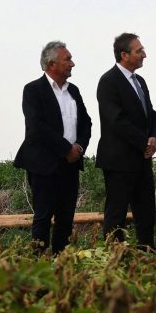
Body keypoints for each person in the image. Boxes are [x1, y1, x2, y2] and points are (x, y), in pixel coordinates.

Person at [14, 41, 93, 254]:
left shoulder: (73, 91)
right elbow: (36, 127)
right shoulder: (33, 90)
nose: (72, 63)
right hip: (44, 164)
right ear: (52, 64)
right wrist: (65, 149)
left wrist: (79, 147)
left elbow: (86, 122)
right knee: (43, 216)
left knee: (66, 217)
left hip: (71, 163)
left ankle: (62, 263)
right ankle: (39, 264)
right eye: (67, 59)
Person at [96, 32, 156, 250]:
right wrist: (144, 143)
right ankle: (115, 257)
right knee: (116, 213)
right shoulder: (108, 82)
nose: (144, 54)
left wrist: (154, 138)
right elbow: (117, 120)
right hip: (119, 160)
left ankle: (147, 255)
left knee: (146, 211)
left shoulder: (139, 81)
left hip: (142, 159)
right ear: (124, 55)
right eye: (139, 50)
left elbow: (150, 114)